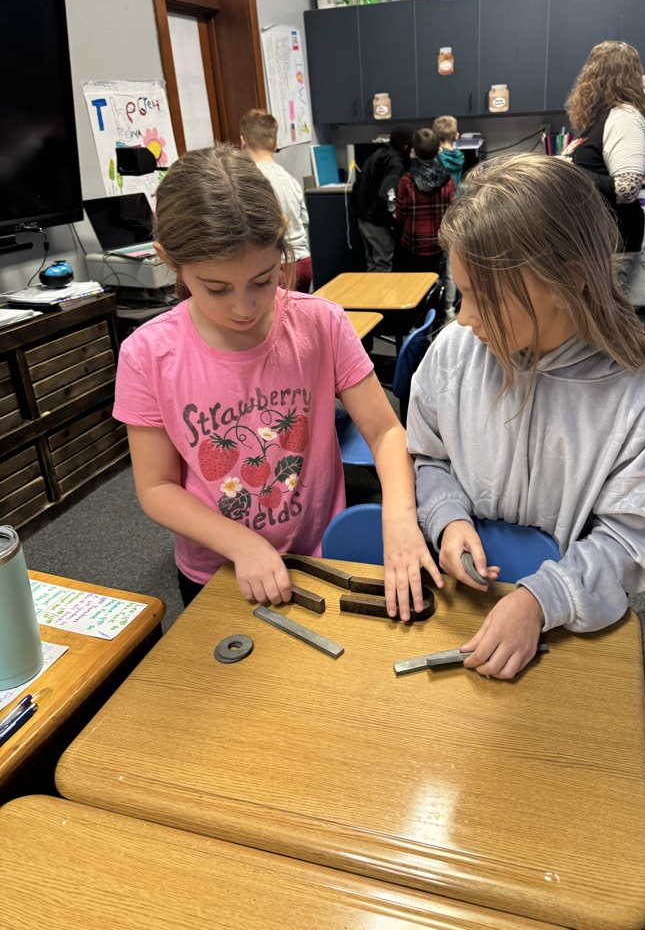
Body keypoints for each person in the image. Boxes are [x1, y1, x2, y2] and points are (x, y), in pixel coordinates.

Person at [114, 144, 441, 619]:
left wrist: (399, 515)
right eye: (216, 289)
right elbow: (157, 487)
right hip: (218, 571)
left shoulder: (320, 323)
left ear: (283, 248)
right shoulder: (148, 354)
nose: (244, 307)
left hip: (321, 552)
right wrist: (240, 543)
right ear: (169, 260)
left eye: (263, 280)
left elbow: (386, 430)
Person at [407, 153, 645, 680]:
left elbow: (632, 541)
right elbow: (427, 455)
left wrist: (542, 600)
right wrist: (448, 519)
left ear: (566, 280)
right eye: (459, 293)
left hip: (568, 626)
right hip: (465, 605)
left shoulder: (639, 398)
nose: (464, 319)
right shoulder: (455, 352)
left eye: (483, 298)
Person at [563, 41, 645, 290]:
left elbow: (627, 189)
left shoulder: (625, 116)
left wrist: (567, 170)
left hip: (612, 243)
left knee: (603, 320)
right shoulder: (600, 121)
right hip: (595, 242)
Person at [240, 109, 312, 294]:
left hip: (272, 268)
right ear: (275, 145)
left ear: (242, 142)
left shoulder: (246, 181)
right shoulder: (291, 180)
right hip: (302, 263)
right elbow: (304, 221)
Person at [394, 127, 455, 274]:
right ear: (438, 150)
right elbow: (453, 211)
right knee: (435, 281)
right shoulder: (448, 180)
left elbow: (400, 214)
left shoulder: (407, 180)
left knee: (414, 285)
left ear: (414, 150)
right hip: (438, 243)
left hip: (413, 243)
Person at [353, 126, 413, 273]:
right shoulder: (396, 165)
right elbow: (387, 195)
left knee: (372, 262)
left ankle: (370, 295)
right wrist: (392, 221)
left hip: (363, 216)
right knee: (383, 262)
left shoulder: (377, 154)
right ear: (406, 146)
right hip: (377, 221)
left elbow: (358, 184)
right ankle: (381, 296)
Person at [432, 115, 464, 319]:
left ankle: (432, 307)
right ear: (456, 136)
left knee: (435, 265)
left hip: (436, 214)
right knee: (453, 267)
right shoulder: (460, 157)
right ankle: (450, 309)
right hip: (454, 213)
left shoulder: (435, 159)